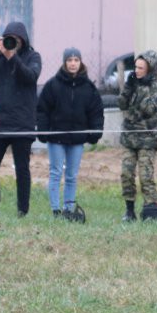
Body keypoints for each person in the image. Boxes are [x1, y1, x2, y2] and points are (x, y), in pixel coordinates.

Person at [0, 21, 42, 217]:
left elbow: (30, 77)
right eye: (10, 38)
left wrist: (12, 57)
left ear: (24, 40)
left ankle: (23, 210)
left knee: (22, 168)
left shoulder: (33, 56)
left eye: (17, 39)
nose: (14, 42)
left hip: (22, 123)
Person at [36, 47, 104, 221]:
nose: (73, 63)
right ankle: (55, 209)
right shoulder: (53, 85)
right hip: (56, 138)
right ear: (64, 63)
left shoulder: (88, 87)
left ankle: (68, 208)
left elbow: (96, 111)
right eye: (69, 60)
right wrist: (43, 131)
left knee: (72, 175)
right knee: (56, 172)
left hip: (76, 140)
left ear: (80, 62)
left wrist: (95, 131)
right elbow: (42, 109)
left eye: (76, 60)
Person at [119, 50, 157, 222]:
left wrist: (140, 88)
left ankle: (150, 210)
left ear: (150, 69)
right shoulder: (133, 84)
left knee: (146, 176)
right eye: (136, 67)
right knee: (126, 174)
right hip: (129, 138)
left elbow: (147, 110)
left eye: (141, 68)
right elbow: (122, 104)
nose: (137, 71)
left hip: (147, 139)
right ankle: (129, 210)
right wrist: (128, 87)